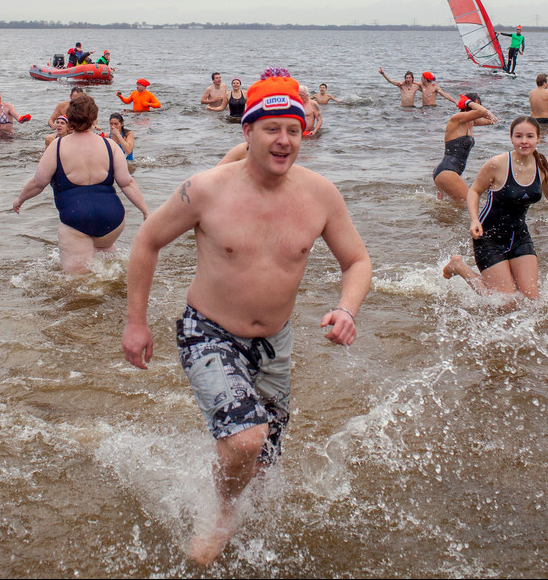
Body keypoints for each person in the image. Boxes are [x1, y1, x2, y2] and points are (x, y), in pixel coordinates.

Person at [121, 71, 372, 566]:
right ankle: (218, 513)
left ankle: (228, 497)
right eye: (271, 129)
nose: (283, 141)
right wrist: (135, 322)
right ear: (247, 131)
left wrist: (347, 309)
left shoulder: (320, 194)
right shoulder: (206, 190)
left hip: (275, 346)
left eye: (293, 130)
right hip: (207, 333)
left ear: (306, 133)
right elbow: (146, 241)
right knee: (245, 439)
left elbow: (358, 262)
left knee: (261, 463)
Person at [443, 116, 548, 304]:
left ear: (538, 138)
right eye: (519, 136)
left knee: (531, 301)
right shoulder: (498, 164)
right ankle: (459, 267)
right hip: (488, 237)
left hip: (519, 236)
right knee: (506, 303)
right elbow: (474, 191)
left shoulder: (542, 164)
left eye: (530, 136)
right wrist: (474, 219)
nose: (524, 141)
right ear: (512, 138)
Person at [13, 94, 148, 273]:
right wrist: (145, 211)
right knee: (106, 264)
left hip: (76, 218)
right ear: (94, 117)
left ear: (70, 117)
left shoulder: (58, 146)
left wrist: (19, 200)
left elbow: (39, 183)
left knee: (78, 283)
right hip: (113, 219)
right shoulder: (110, 145)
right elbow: (127, 183)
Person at [433, 93, 497, 203]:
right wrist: (468, 102)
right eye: (475, 105)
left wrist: (471, 104)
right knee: (471, 204)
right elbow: (482, 112)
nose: (478, 108)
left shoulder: (471, 122)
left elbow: (493, 119)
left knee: (447, 212)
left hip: (450, 172)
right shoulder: (457, 118)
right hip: (447, 171)